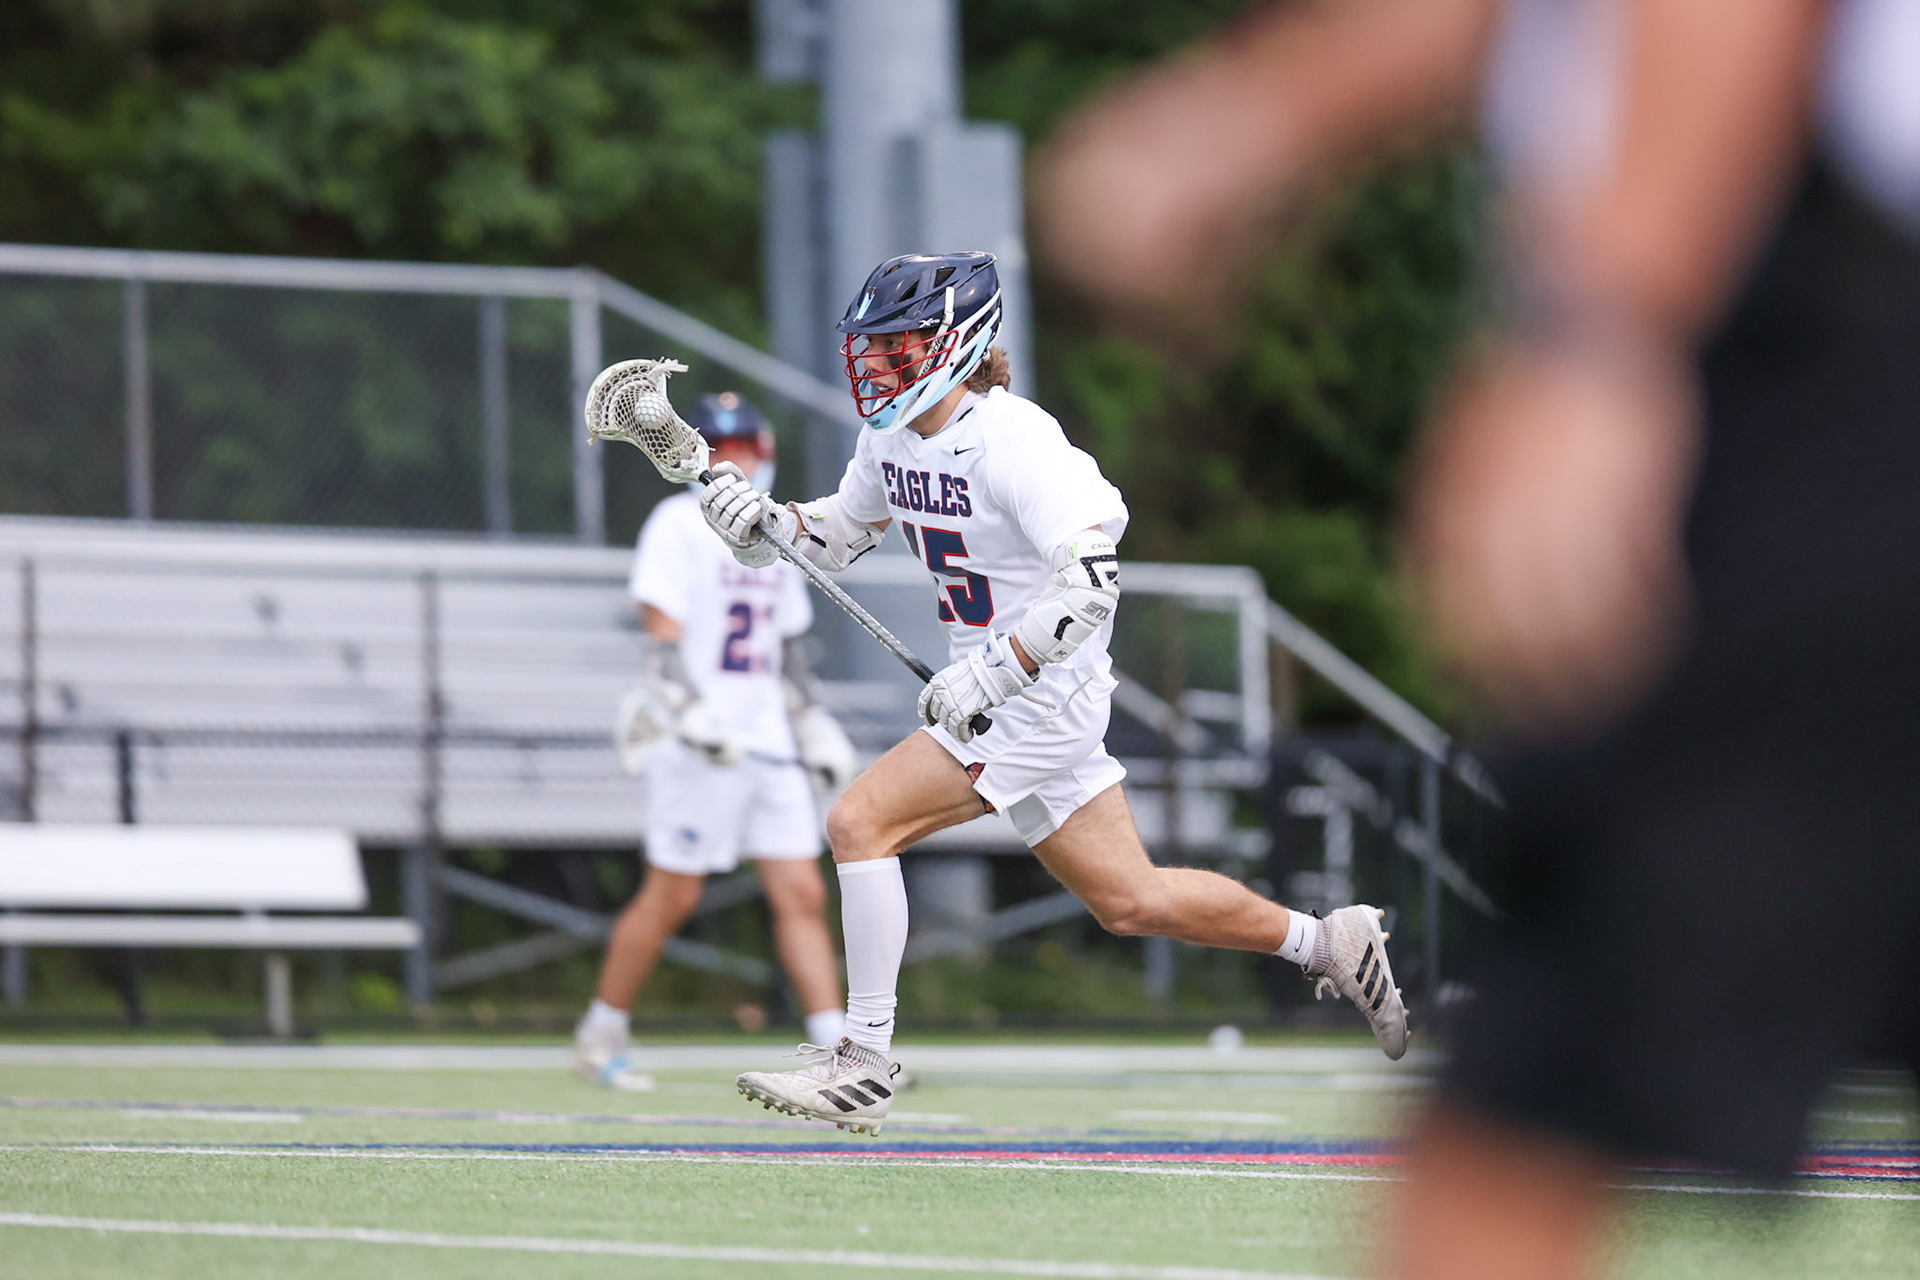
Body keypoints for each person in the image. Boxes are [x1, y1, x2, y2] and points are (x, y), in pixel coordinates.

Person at [1037, 1, 1920, 1275]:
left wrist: (1596, 328)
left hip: (1821, 339)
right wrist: (1262, 117)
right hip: (1814, 300)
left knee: (1528, 1112)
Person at [695, 250, 1409, 1135]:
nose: (876, 365)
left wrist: (994, 672)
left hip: (1037, 692)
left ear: (957, 344)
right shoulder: (888, 439)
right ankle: (1328, 941)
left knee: (858, 821)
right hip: (1003, 692)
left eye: (899, 345)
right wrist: (766, 527)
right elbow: (838, 537)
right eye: (871, 348)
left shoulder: (1017, 441)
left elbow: (1090, 583)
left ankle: (865, 1060)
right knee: (1131, 901)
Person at [574, 391, 859, 1090]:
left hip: (766, 738)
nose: (732, 459)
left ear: (763, 452)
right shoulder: (675, 524)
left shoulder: (771, 526)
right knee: (673, 895)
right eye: (719, 446)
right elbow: (661, 642)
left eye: (743, 446)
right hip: (701, 741)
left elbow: (783, 648)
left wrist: (812, 720)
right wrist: (688, 711)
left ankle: (838, 1049)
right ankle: (602, 1028)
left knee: (801, 891)